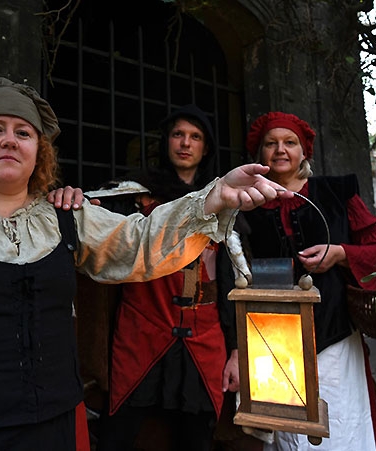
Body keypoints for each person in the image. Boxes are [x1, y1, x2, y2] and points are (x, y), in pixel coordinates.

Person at [0, 77, 290, 451]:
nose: (10, 140)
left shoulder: (66, 217)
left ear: (39, 152)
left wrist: (214, 196)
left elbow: (140, 244)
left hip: (59, 427)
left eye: (23, 133)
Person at [91, 104, 244, 451]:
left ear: (206, 148)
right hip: (141, 334)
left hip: (204, 341)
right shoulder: (134, 195)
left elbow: (230, 282)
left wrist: (236, 351)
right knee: (118, 437)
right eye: (178, 134)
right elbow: (97, 228)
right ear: (166, 141)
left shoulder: (223, 201)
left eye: (195, 137)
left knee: (196, 439)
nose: (185, 143)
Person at [241, 112, 376, 451]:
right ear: (259, 154)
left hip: (334, 336)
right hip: (275, 340)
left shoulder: (336, 193)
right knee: (290, 433)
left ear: (304, 152)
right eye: (271, 143)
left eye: (290, 142)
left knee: (340, 427)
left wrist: (340, 253)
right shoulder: (247, 205)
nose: (280, 150)